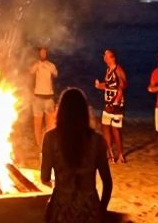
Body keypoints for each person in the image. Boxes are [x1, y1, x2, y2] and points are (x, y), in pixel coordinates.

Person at [40, 87, 112, 222]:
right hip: (89, 210)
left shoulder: (50, 138)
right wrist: (102, 210)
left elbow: (44, 177)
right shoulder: (96, 140)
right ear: (84, 112)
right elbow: (107, 182)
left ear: (61, 111)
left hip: (61, 210)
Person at [93, 48, 127, 163]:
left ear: (111, 57)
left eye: (106, 55)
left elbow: (122, 85)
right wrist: (99, 86)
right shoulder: (108, 70)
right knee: (105, 127)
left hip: (116, 104)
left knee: (115, 129)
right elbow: (108, 85)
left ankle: (121, 154)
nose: (104, 57)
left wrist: (117, 100)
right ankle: (111, 155)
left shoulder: (118, 69)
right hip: (108, 103)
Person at [29, 46, 58, 150]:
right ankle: (40, 147)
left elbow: (55, 74)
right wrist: (38, 65)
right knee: (37, 125)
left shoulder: (51, 65)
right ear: (39, 54)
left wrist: (47, 67)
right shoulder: (36, 65)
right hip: (37, 98)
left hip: (49, 98)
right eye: (41, 53)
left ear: (46, 54)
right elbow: (30, 72)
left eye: (44, 53)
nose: (42, 54)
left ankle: (48, 146)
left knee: (50, 126)